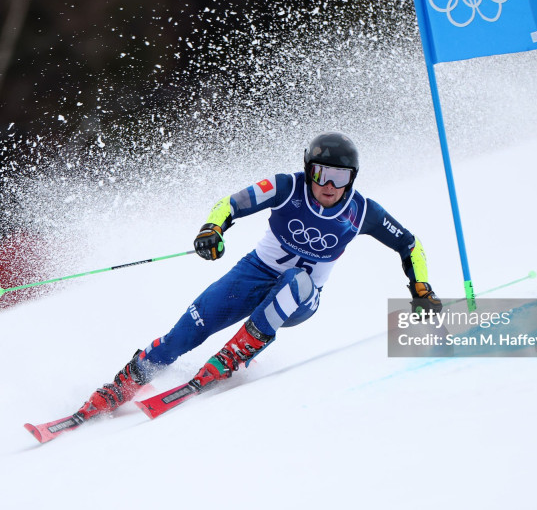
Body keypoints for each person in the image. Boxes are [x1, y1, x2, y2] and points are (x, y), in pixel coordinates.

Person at [74, 131, 443, 421]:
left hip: (301, 297)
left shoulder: (362, 211)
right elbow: (230, 204)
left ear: (352, 179)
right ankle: (122, 385)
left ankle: (232, 356)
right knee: (186, 331)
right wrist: (212, 230)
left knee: (296, 279)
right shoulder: (286, 186)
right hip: (254, 274)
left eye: (339, 177)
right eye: (320, 173)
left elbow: (411, 245)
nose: (329, 186)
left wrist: (421, 289)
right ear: (308, 169)